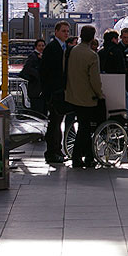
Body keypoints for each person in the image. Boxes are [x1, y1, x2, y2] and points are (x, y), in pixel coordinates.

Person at [65, 25, 104, 168]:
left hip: (72, 94)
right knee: (84, 128)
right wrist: (100, 94)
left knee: (84, 126)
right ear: (93, 37)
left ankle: (88, 157)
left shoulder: (72, 51)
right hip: (87, 97)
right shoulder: (92, 55)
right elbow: (94, 79)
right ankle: (77, 157)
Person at [39, 21, 71, 163]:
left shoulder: (64, 47)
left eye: (67, 31)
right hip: (54, 92)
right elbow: (45, 72)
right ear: (56, 32)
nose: (66, 33)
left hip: (60, 91)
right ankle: (52, 152)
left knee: (58, 122)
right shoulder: (52, 48)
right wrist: (49, 92)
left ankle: (57, 150)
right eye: (63, 31)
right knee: (54, 123)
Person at [19, 38, 46, 115]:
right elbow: (27, 69)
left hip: (38, 90)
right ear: (36, 47)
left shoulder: (41, 56)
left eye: (43, 46)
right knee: (38, 112)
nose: (41, 47)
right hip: (35, 90)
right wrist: (37, 76)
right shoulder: (33, 56)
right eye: (39, 46)